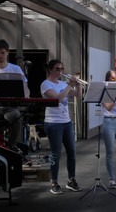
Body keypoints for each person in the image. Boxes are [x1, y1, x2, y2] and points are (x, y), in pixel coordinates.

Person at [41, 59, 83, 194]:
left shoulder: (62, 83)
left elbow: (78, 96)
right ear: (50, 70)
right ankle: (54, 182)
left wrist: (78, 85)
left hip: (66, 122)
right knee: (56, 154)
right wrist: (70, 85)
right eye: (57, 69)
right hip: (53, 123)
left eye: (62, 69)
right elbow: (57, 99)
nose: (60, 72)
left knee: (72, 153)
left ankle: (71, 180)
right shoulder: (45, 84)